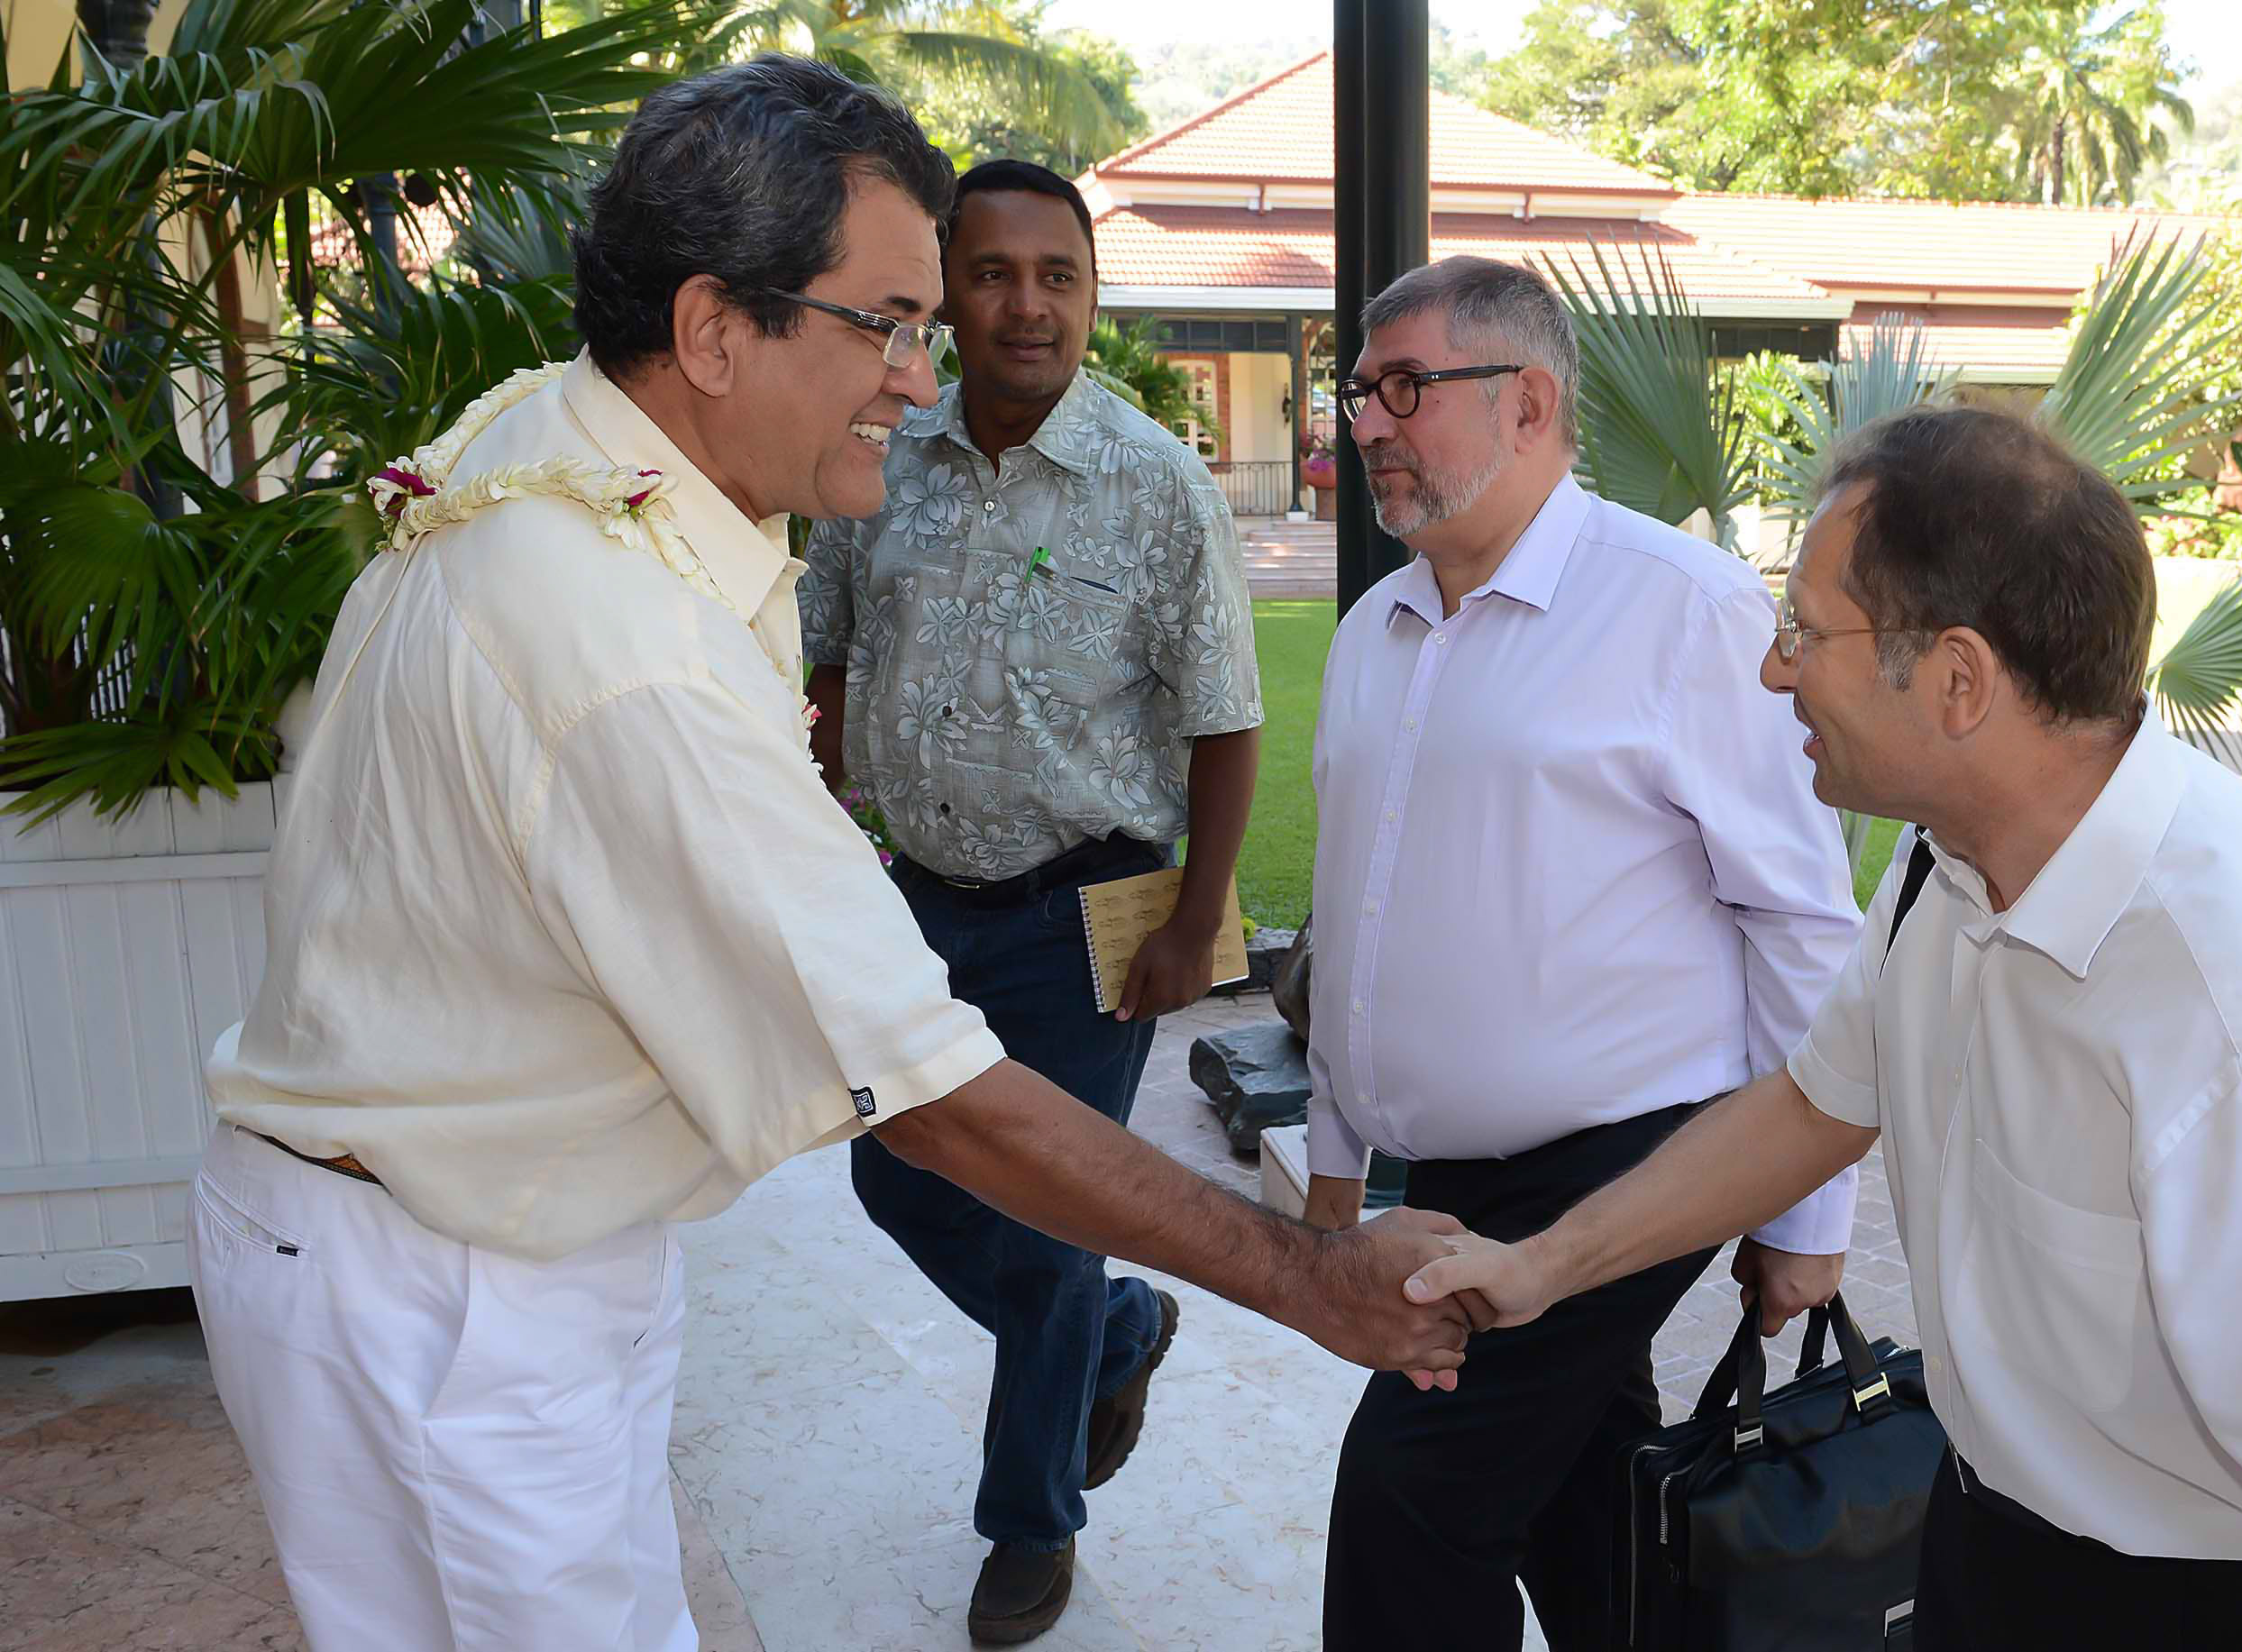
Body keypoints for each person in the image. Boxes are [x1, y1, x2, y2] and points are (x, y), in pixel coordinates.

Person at [188, 58, 1467, 1652]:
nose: (921, 380)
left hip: (490, 1221)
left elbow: (1200, 718)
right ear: (717, 327)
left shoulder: (557, 435)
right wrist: (1309, 1275)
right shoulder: (619, 643)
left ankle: (1045, 1465)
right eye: (892, 322)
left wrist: (1190, 916)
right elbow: (928, 1101)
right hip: (449, 1291)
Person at [1408, 405, 2242, 1652]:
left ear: (1960, 679)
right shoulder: (1948, 862)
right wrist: (1544, 1264)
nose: (1774, 670)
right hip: (1983, 1540)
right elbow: (1818, 1101)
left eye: (1805, 632)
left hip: (2177, 1608)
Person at [1305, 256, 1865, 1652]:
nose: (1366, 421)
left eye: (1405, 387)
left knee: (1408, 1503)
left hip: (1630, 1159)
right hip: (1446, 1172)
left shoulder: (1683, 609)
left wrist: (1807, 1221)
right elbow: (1354, 918)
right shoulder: (1377, 629)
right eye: (1358, 389)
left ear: (1532, 401)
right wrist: (1331, 1163)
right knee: (1578, 1501)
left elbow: (1803, 920)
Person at [799, 157, 1263, 1644]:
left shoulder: (1158, 482)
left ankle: (1029, 1518)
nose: (1026, 303)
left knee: (1056, 1219)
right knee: (895, 1176)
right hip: (916, 903)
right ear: (948, 288)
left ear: (1091, 297)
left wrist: (1197, 919)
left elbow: (1226, 714)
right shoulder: (878, 462)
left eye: (1057, 276)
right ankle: (1121, 1332)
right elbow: (825, 661)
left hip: (1090, 915)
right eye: (992, 273)